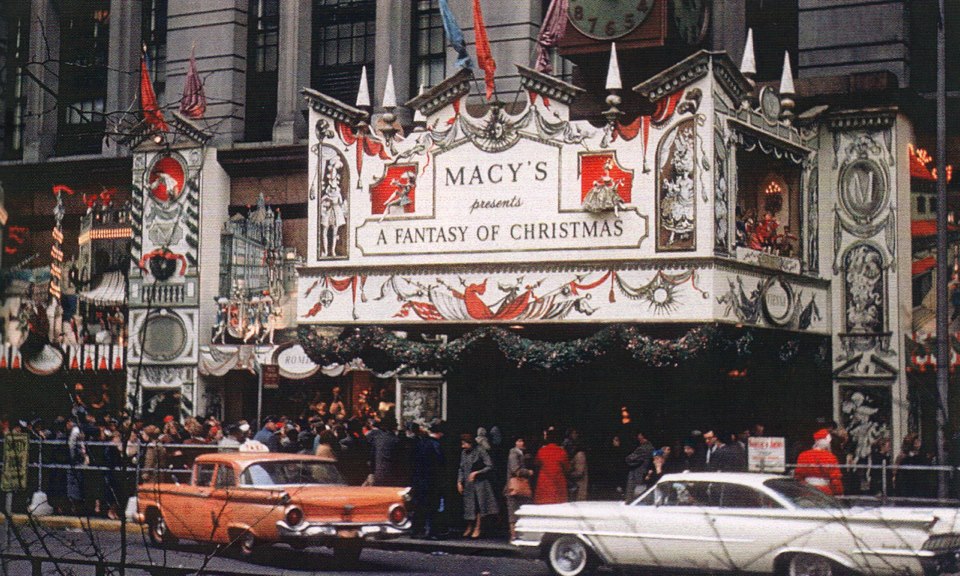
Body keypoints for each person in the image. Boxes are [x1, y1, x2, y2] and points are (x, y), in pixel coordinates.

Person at [457, 434, 498, 539]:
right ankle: (469, 526)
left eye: (465, 444)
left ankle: (477, 527)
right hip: (468, 483)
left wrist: (477, 472)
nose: (463, 446)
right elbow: (461, 468)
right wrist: (459, 481)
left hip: (480, 483)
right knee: (469, 506)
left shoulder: (480, 451)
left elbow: (489, 465)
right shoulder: (464, 453)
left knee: (479, 505)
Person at [794, 428, 844, 496]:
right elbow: (835, 480)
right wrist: (839, 493)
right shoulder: (831, 457)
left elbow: (798, 477)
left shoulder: (803, 455)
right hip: (825, 493)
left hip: (807, 491)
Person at [505, 436, 533, 540]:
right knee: (513, 511)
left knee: (519, 510)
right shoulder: (514, 453)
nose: (521, 443)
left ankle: (518, 535)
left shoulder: (521, 454)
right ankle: (513, 535)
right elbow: (515, 470)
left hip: (519, 486)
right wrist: (528, 472)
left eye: (522, 441)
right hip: (514, 486)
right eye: (519, 441)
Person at [534, 427, 570, 504]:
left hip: (544, 483)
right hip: (558, 483)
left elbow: (536, 464)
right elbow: (567, 469)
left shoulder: (541, 451)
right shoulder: (562, 452)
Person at [895, 432, 933, 498]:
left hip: (920, 480)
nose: (917, 444)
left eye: (918, 442)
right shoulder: (905, 455)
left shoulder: (923, 453)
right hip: (910, 480)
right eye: (915, 442)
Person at [624, 430, 654, 502]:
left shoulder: (643, 448)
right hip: (644, 474)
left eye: (639, 436)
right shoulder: (651, 447)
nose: (638, 437)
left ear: (643, 437)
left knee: (635, 497)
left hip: (638, 475)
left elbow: (629, 459)